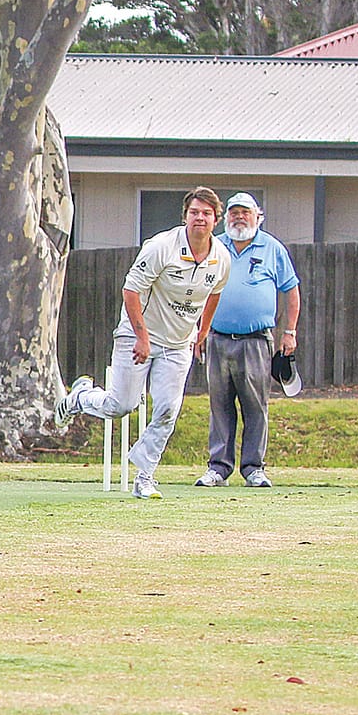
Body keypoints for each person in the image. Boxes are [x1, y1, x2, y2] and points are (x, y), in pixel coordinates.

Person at [55, 187, 231, 499]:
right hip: (137, 336)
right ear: (185, 217)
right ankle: (81, 398)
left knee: (166, 409)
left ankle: (145, 477)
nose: (199, 218)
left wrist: (202, 330)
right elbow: (131, 290)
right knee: (119, 405)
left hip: (178, 344)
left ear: (215, 220)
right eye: (194, 212)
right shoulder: (162, 246)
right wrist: (142, 337)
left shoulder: (221, 257)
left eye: (206, 213)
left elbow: (215, 292)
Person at [199, 193, 300, 488]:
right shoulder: (215, 246)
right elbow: (199, 290)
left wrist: (290, 332)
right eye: (233, 213)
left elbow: (291, 291)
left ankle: (254, 468)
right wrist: (200, 331)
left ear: (258, 216)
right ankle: (218, 468)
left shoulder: (272, 248)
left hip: (256, 341)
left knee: (255, 405)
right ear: (225, 217)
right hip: (217, 338)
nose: (239, 218)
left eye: (245, 212)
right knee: (220, 405)